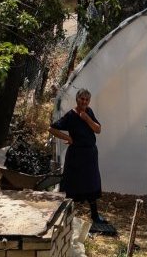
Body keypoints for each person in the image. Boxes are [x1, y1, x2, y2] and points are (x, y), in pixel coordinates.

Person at [50, 88, 110, 229]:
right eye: (82, 99)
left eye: (86, 99)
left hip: (90, 154)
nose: (84, 101)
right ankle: (65, 213)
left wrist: (87, 118)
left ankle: (95, 215)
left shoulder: (88, 112)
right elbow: (51, 128)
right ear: (77, 99)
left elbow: (98, 129)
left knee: (92, 182)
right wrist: (68, 138)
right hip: (76, 155)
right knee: (71, 182)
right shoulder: (70, 115)